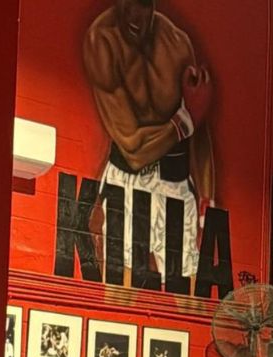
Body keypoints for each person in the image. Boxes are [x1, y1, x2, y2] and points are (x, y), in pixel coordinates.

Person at [83, 0, 215, 283]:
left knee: (189, 295)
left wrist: (207, 201)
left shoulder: (177, 44)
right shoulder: (102, 41)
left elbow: (199, 123)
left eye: (143, 4)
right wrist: (185, 121)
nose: (135, 14)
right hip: (126, 179)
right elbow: (133, 149)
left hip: (176, 180)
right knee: (120, 291)